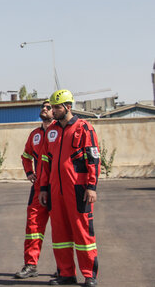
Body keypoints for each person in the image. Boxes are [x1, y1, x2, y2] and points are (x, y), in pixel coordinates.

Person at [39, 89, 100, 287]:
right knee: (60, 234)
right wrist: (43, 188)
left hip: (78, 189)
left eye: (57, 107)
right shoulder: (52, 131)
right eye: (52, 107)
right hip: (56, 191)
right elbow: (46, 161)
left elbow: (93, 159)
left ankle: (89, 275)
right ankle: (66, 273)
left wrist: (92, 187)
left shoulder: (84, 128)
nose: (53, 111)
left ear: (68, 107)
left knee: (82, 233)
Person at [15, 100, 54, 279]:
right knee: (33, 227)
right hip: (38, 188)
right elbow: (25, 156)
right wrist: (29, 171)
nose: (44, 110)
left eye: (48, 107)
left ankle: (65, 268)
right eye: (43, 107)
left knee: (62, 229)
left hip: (58, 187)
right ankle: (30, 265)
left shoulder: (61, 132)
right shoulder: (35, 134)